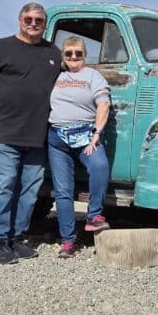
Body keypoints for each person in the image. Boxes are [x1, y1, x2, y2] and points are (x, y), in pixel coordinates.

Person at [0, 2, 61, 264]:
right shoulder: (0, 47)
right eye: (28, 19)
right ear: (19, 20)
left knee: (29, 191)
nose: (33, 23)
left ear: (45, 24)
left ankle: (17, 239)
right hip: (4, 131)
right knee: (2, 186)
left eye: (38, 20)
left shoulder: (53, 53)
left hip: (37, 136)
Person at [46, 36, 111, 258]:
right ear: (63, 56)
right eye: (69, 53)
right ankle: (68, 241)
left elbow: (103, 104)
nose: (74, 57)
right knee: (63, 191)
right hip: (57, 139)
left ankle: (94, 216)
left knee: (100, 166)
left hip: (85, 137)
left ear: (85, 55)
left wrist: (97, 134)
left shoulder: (93, 76)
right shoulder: (57, 76)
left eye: (78, 53)